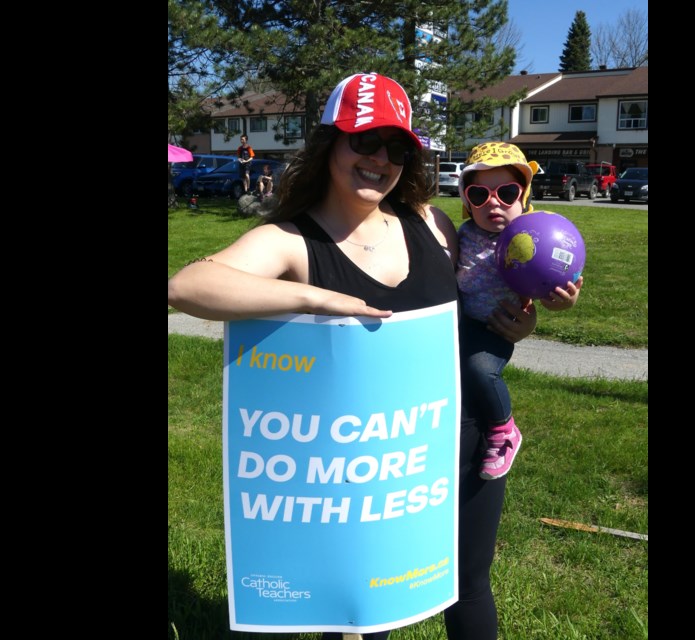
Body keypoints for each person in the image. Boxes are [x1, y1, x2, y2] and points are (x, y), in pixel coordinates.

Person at [168, 73, 536, 640]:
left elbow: (480, 298)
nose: (380, 160)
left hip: (457, 445)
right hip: (360, 471)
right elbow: (188, 285)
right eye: (364, 141)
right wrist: (313, 296)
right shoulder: (293, 242)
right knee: (367, 614)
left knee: (469, 588)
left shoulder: (432, 224)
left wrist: (524, 318)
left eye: (396, 147)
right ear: (329, 144)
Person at [455, 143, 583, 482]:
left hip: (500, 327)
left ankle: (504, 429)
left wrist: (564, 300)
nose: (493, 202)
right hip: (464, 324)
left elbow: (554, 282)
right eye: (479, 194)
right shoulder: (464, 235)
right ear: (466, 201)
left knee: (479, 368)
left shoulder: (535, 238)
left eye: (507, 192)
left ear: (523, 196)